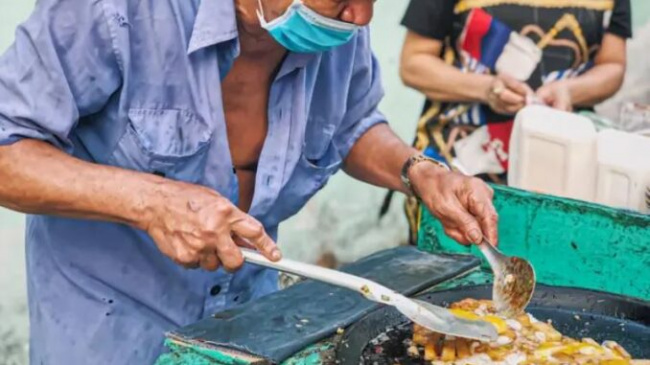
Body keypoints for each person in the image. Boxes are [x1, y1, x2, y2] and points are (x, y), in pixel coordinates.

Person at [0, 0, 499, 363]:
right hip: (109, 335)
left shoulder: (338, 28)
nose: (361, 16)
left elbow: (350, 125)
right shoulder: (114, 12)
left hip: (251, 332)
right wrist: (150, 202)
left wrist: (419, 172)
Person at [397, 0, 630, 243]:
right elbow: (413, 64)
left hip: (562, 168)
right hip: (462, 165)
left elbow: (613, 65)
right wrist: (486, 89)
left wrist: (570, 91)